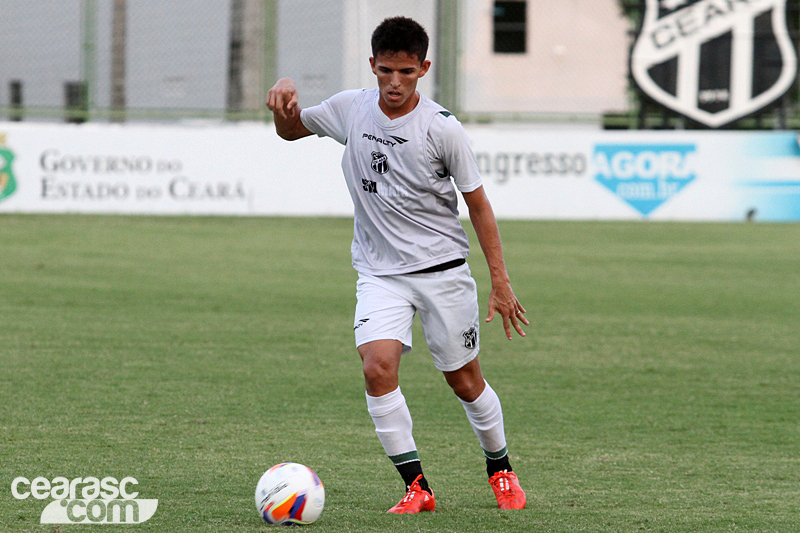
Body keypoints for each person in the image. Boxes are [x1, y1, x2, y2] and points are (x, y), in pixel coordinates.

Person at [267, 16, 528, 514]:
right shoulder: (351, 108)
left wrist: (500, 280)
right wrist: (284, 102)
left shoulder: (442, 128)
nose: (394, 82)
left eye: (406, 72)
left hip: (442, 271)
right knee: (377, 367)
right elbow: (291, 131)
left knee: (464, 381)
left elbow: (478, 205)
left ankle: (500, 468)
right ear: (372, 65)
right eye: (385, 70)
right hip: (380, 273)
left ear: (423, 69)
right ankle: (417, 487)